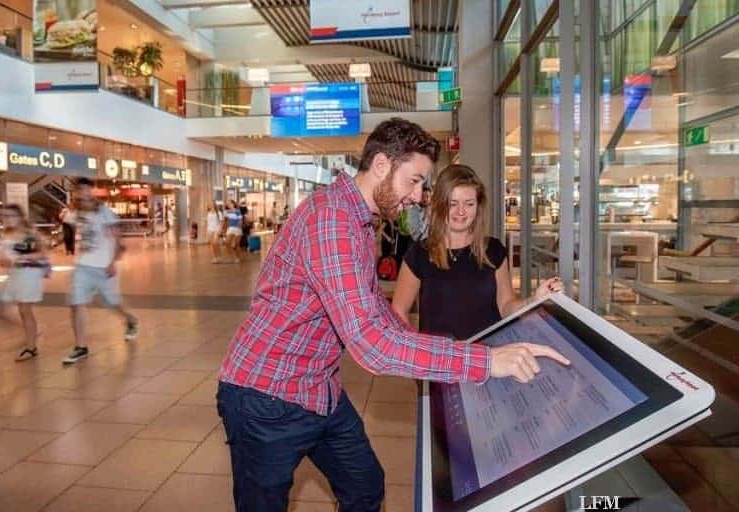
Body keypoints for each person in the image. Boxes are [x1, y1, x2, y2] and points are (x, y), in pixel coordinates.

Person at [216, 118, 569, 512]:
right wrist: (484, 361)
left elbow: (380, 316)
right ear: (382, 166)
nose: (419, 196)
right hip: (267, 394)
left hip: (318, 388)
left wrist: (456, 350)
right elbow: (373, 345)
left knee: (365, 487)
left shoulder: (358, 222)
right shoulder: (332, 222)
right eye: (414, 180)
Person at [392, 164, 564, 342]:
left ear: (478, 207)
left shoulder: (494, 250)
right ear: (440, 204)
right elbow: (399, 311)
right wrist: (418, 355)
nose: (461, 211)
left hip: (491, 359)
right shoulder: (419, 254)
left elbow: (506, 307)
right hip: (443, 363)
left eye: (469, 203)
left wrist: (534, 300)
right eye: (453, 203)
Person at [63, 177, 139, 364]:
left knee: (112, 302)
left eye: (86, 189)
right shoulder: (76, 212)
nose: (83, 193)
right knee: (76, 303)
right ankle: (81, 347)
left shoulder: (104, 212)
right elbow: (67, 221)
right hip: (82, 266)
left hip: (103, 267)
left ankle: (130, 320)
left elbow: (117, 238)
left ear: (92, 191)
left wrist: (112, 261)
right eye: (79, 190)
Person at [0, 204, 49, 361]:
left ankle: (31, 347)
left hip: (28, 275)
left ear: (20, 217)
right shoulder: (5, 235)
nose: (8, 219)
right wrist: (6, 260)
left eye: (11, 215)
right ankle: (32, 333)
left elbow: (41, 253)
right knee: (2, 312)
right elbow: (2, 260)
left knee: (25, 310)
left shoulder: (29, 234)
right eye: (5, 216)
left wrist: (22, 258)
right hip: (14, 276)